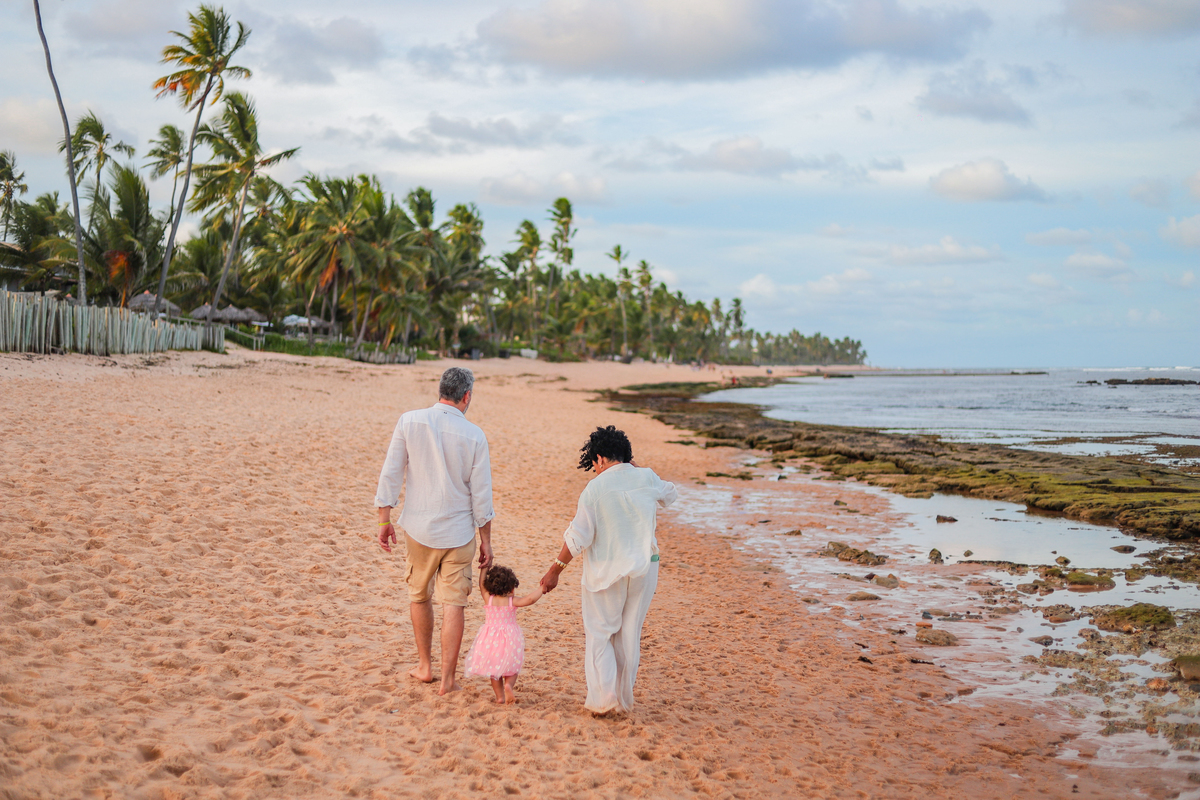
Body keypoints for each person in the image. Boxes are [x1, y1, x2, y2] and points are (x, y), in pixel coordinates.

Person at [540, 425, 677, 715]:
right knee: (629, 634)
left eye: (594, 464)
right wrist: (638, 470)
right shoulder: (646, 477)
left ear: (600, 458)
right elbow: (670, 495)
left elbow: (578, 536)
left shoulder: (595, 489)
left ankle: (605, 698)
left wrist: (556, 570)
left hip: (606, 571)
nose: (595, 469)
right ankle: (623, 699)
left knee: (601, 632)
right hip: (644, 570)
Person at [375, 366, 494, 696]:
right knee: (453, 604)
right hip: (459, 533)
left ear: (440, 390)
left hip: (419, 527)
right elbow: (482, 495)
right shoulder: (475, 435)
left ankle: (425, 666)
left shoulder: (409, 421)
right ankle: (447, 680)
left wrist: (384, 519)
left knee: (419, 594)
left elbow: (391, 472)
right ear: (466, 396)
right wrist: (486, 541)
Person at [464, 564, 543, 704]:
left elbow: (481, 585)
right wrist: (542, 589)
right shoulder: (512, 601)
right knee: (512, 666)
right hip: (510, 639)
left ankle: (500, 697)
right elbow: (530, 599)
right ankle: (509, 685)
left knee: (494, 670)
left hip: (490, 640)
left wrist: (484, 569)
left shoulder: (488, 598)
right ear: (510, 588)